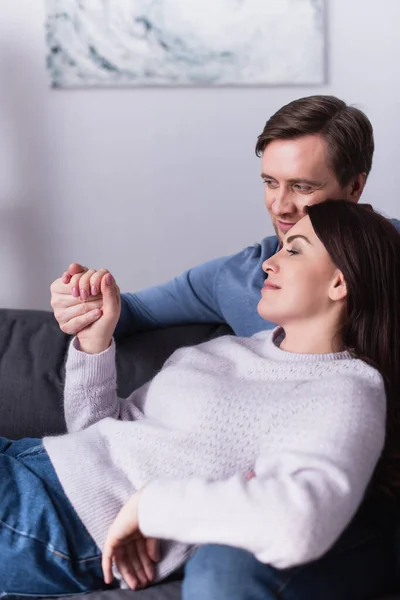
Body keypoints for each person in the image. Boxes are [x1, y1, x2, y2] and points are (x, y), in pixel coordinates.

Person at [49, 95, 400, 600]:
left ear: (355, 186)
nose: (281, 205)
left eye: (303, 186)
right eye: (270, 182)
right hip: (279, 489)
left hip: (367, 498)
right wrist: (80, 302)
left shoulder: (387, 268)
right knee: (225, 566)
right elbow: (130, 314)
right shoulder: (248, 274)